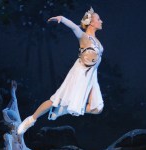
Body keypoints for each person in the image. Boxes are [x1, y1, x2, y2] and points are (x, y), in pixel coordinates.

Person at [17, 7, 104, 135]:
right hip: (80, 73)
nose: (101, 21)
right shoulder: (85, 37)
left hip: (91, 75)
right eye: (98, 19)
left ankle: (62, 110)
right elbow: (75, 28)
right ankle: (30, 120)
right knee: (56, 100)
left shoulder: (97, 41)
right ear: (91, 22)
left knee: (97, 108)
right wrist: (62, 19)